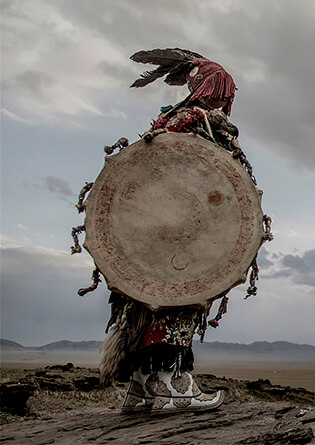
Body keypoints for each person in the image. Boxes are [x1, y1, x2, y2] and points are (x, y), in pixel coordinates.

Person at [99, 50, 242, 414]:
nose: (227, 99)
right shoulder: (195, 121)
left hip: (156, 236)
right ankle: (172, 386)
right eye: (223, 90)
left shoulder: (170, 119)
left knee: (146, 307)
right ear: (210, 88)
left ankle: (140, 388)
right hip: (179, 237)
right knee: (178, 305)